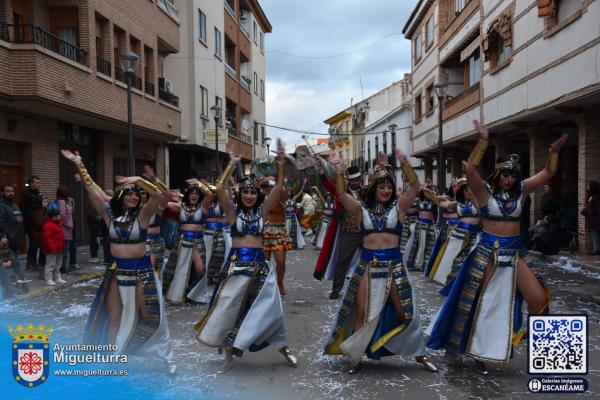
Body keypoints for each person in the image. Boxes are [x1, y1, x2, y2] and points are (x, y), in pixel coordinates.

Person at [427, 121, 566, 374]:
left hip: (514, 253)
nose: (509, 178)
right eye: (505, 174)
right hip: (488, 253)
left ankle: (543, 350)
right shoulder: (484, 194)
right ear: (498, 175)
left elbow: (547, 173)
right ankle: (478, 350)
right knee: (483, 303)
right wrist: (482, 141)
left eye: (512, 174)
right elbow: (469, 169)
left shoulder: (522, 191)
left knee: (537, 299)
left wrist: (553, 153)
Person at [323, 149, 438, 374]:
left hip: (394, 268)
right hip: (367, 267)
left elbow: (414, 187)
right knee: (361, 312)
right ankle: (355, 358)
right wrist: (339, 171)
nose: (386, 190)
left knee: (406, 313)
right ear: (374, 188)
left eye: (389, 186)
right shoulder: (360, 210)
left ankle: (420, 353)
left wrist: (404, 163)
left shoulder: (400, 207)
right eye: (381, 186)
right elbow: (341, 194)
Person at [61, 150, 174, 372]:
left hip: (141, 272)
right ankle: (114, 357)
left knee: (151, 317)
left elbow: (159, 196)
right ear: (120, 198)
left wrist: (140, 180)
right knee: (114, 317)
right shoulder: (108, 217)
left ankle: (164, 356)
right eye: (129, 194)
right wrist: (79, 163)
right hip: (116, 272)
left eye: (136, 194)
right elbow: (92, 192)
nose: (133, 197)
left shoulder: (143, 217)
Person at [194, 140, 297, 373]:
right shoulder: (232, 213)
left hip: (260, 267)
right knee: (231, 311)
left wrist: (281, 164)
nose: (250, 195)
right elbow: (219, 189)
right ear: (240, 195)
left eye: (253, 192)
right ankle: (229, 355)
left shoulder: (263, 211)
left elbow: (279, 188)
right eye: (246, 192)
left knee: (272, 310)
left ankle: (284, 348)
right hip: (237, 268)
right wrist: (231, 164)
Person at [316, 165, 363, 300]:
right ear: (349, 180)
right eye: (353, 181)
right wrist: (322, 173)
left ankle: (363, 290)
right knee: (342, 261)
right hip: (348, 231)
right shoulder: (342, 192)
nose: (356, 183)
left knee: (368, 261)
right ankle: (336, 289)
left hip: (365, 232)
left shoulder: (366, 192)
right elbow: (328, 185)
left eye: (358, 180)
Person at [424, 178, 481, 286]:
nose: (468, 192)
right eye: (465, 190)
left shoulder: (478, 203)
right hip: (457, 235)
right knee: (451, 259)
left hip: (474, 237)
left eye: (470, 190)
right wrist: (431, 196)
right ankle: (449, 281)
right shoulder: (457, 203)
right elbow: (443, 204)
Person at [162, 183, 211, 304]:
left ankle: (192, 294)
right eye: (191, 193)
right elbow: (164, 203)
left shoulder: (203, 206)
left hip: (197, 242)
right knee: (178, 269)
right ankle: (180, 295)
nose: (194, 195)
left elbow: (210, 194)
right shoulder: (181, 207)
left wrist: (199, 183)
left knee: (200, 269)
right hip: (183, 241)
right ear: (187, 195)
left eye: (196, 193)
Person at [262, 176, 292, 295]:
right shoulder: (260, 197)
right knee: (264, 261)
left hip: (278, 231)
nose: (269, 188)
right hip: (263, 231)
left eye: (271, 186)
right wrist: (265, 179)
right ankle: (264, 283)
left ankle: (279, 282)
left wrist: (280, 181)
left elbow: (284, 192)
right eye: (266, 186)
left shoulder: (281, 196)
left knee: (280, 261)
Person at [0, 184, 30, 284]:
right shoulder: (1, 206)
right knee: (9, 263)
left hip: (16, 240)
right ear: (2, 193)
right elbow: (1, 222)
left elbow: (19, 220)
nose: (11, 193)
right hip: (8, 241)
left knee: (15, 260)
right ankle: (12, 283)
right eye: (8, 191)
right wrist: (6, 236)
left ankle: (18, 280)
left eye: (12, 191)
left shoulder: (13, 205)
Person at [20, 176, 46, 271]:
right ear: (31, 184)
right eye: (37, 183)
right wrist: (36, 213)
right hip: (32, 225)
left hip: (39, 224)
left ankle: (39, 263)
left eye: (40, 182)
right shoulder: (27, 195)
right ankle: (31, 264)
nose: (40, 184)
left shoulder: (37, 195)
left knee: (39, 244)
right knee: (33, 244)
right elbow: (24, 210)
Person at [41, 208, 66, 285]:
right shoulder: (48, 226)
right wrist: (52, 248)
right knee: (50, 264)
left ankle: (57, 278)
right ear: (54, 217)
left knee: (58, 264)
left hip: (59, 248)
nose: (60, 217)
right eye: (59, 216)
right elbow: (47, 239)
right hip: (52, 250)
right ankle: (48, 279)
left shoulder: (57, 224)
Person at [55, 186, 75, 274]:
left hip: (66, 229)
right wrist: (69, 224)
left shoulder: (63, 201)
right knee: (64, 250)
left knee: (65, 250)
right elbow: (62, 214)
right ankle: (62, 268)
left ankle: (63, 267)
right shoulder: (62, 202)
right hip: (65, 229)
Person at [285, 182, 306, 250]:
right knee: (286, 231)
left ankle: (298, 244)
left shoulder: (293, 199)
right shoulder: (283, 200)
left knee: (296, 230)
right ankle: (287, 245)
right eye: (287, 191)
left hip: (293, 217)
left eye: (290, 191)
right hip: (287, 218)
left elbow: (300, 192)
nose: (289, 192)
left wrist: (303, 185)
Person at [582, 181, 600, 255]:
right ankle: (595, 249)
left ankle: (596, 250)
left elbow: (597, 207)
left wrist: (591, 211)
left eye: (589, 186)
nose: (587, 187)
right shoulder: (591, 196)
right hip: (590, 218)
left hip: (594, 219)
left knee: (594, 234)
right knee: (593, 234)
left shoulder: (596, 196)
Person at [0, 229, 16, 299]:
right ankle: (8, 293)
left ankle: (10, 291)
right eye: (4, 238)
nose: (6, 239)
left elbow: (11, 253)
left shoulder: (5, 245)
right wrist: (2, 263)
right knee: (4, 274)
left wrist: (10, 260)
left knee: (9, 274)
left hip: (6, 264)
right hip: (1, 265)